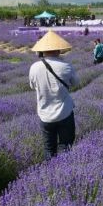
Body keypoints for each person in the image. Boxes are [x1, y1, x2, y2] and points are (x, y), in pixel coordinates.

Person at [29, 31, 79, 159]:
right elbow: (76, 83)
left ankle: (50, 172)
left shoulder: (34, 68)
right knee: (65, 146)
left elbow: (32, 86)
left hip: (45, 115)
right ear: (58, 49)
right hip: (64, 113)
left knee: (49, 148)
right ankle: (63, 171)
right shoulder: (66, 66)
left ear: (42, 50)